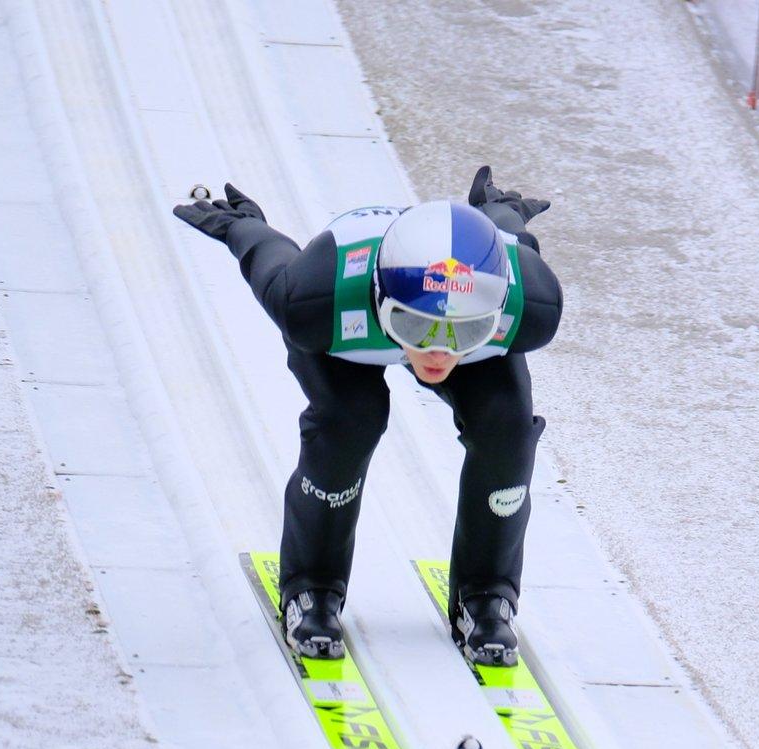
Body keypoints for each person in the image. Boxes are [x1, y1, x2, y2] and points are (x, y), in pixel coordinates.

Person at [173, 168, 562, 665]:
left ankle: (486, 594)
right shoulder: (314, 298)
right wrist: (243, 225)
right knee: (349, 418)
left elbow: (511, 238)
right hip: (347, 326)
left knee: (507, 428)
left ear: (497, 308)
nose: (438, 351)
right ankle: (310, 585)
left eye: (463, 331)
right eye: (415, 323)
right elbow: (270, 258)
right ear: (378, 295)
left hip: (409, 317)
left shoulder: (533, 303)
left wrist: (500, 209)